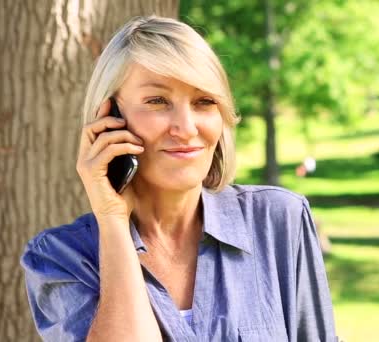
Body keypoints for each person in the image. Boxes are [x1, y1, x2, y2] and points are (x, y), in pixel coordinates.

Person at [20, 16, 336, 342]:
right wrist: (113, 221)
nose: (186, 128)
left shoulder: (279, 221)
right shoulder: (60, 257)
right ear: (109, 119)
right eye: (158, 101)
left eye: (204, 102)